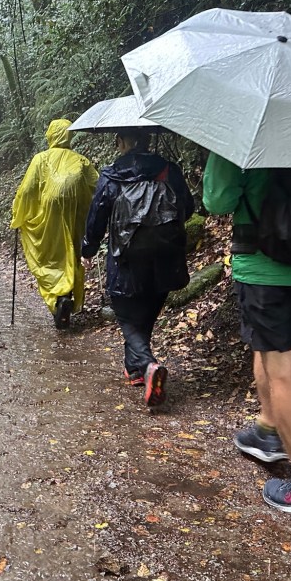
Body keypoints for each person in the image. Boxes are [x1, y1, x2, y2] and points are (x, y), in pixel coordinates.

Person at [203, 152, 291, 524]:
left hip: (267, 265)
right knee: (268, 343)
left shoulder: (243, 134)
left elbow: (218, 200)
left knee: (282, 367)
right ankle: (267, 430)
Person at [80, 131, 193, 407]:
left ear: (121, 142)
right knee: (147, 310)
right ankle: (135, 369)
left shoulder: (112, 176)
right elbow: (188, 208)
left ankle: (147, 365)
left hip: (126, 258)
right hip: (165, 257)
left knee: (127, 317)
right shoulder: (168, 171)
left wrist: (88, 249)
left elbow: (97, 217)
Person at [11, 119, 98, 329]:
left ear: (51, 135)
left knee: (50, 255)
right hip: (76, 212)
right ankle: (66, 294)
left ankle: (59, 298)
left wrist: (18, 214)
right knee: (72, 250)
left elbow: (27, 190)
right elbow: (98, 185)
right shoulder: (81, 160)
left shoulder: (41, 159)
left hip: (49, 213)